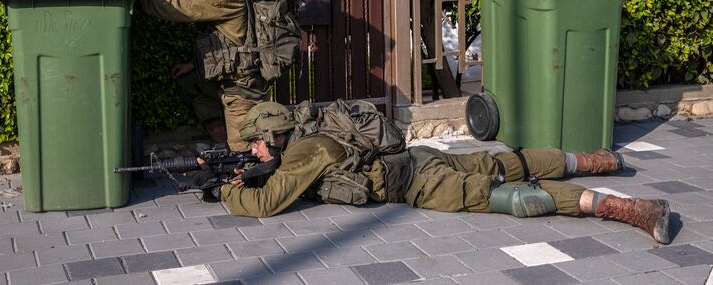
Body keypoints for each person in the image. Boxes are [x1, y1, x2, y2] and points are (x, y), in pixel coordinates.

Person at [215, 101, 672, 244]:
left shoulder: (303, 152)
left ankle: (631, 209)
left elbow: (267, 203)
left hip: (423, 185)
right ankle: (598, 160)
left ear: (274, 134)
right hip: (420, 158)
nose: (254, 150)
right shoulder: (313, 130)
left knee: (515, 196)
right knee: (506, 161)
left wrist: (226, 192)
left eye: (255, 142)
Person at [114, 0, 269, 152]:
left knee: (245, 153)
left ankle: (245, 179)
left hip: (240, 91)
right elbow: (230, 41)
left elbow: (176, 6)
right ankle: (226, 152)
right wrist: (195, 65)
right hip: (232, 81)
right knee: (191, 84)